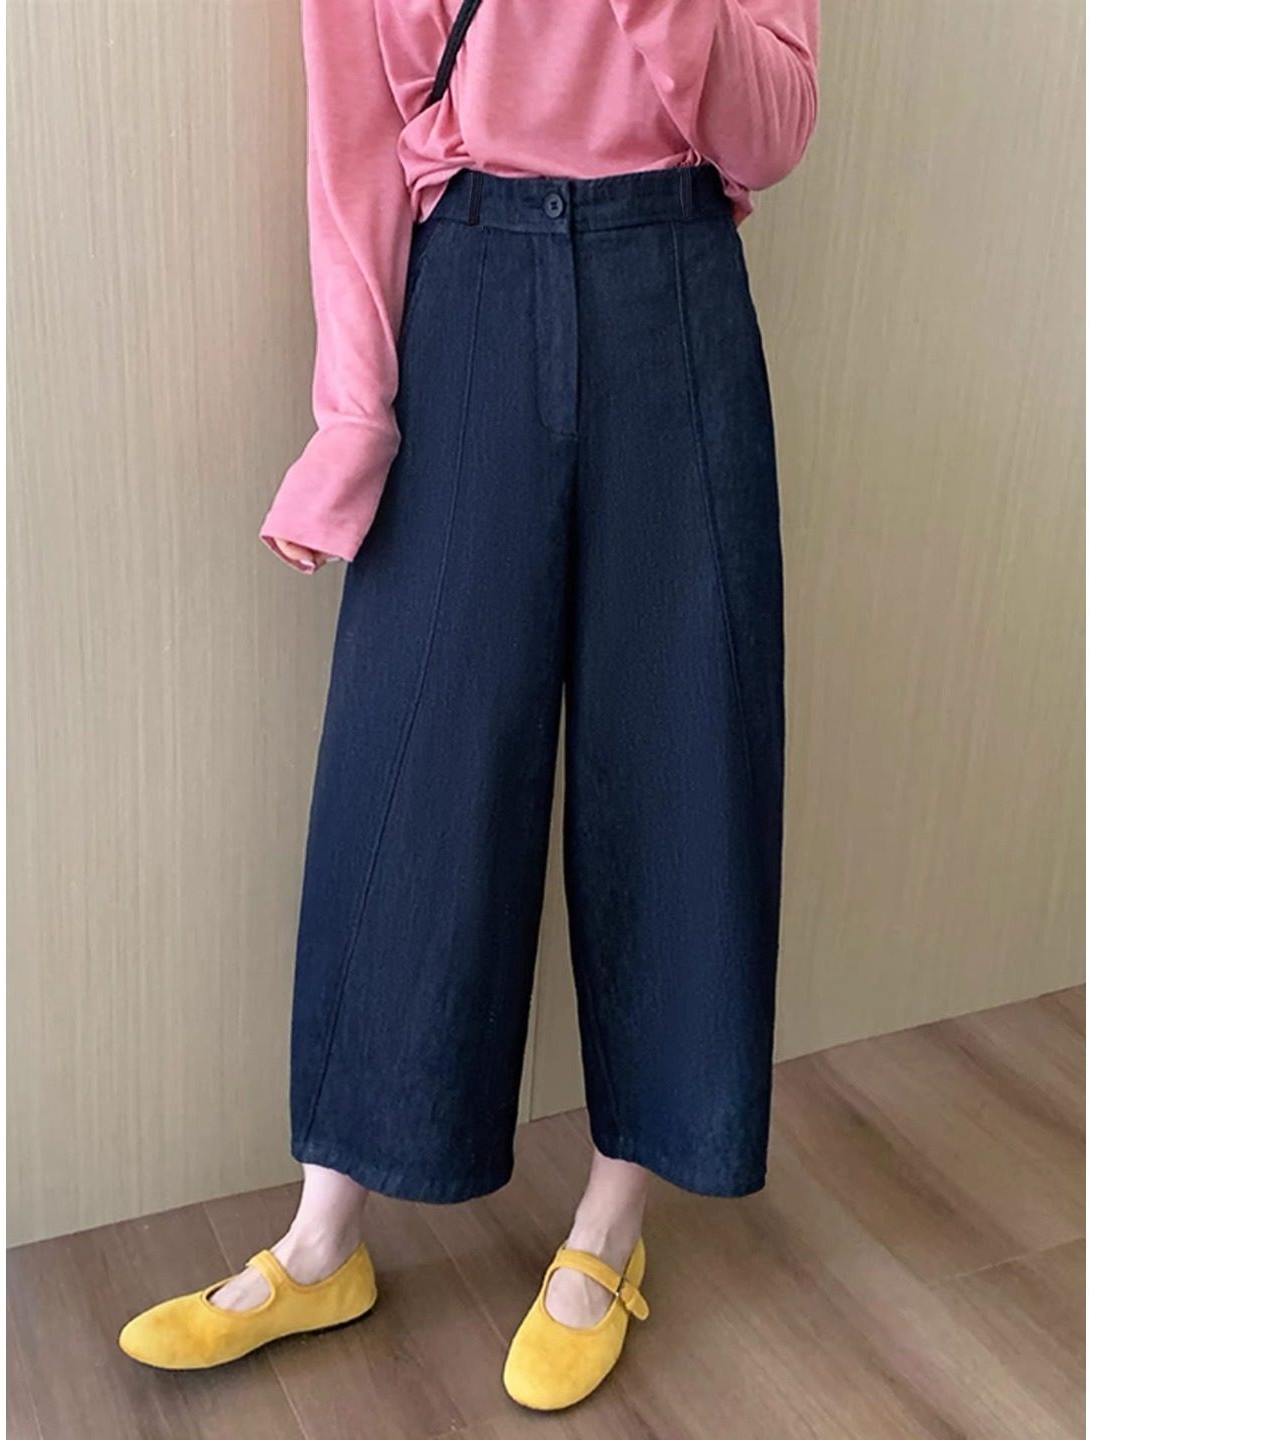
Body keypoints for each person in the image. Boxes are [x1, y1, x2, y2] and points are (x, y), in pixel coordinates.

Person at [119, 0, 819, 1411]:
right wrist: (353, 417)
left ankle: (609, 1231)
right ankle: (324, 1240)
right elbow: (357, 150)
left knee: (679, 759)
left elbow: (776, 131)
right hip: (472, 294)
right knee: (411, 770)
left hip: (675, 284)